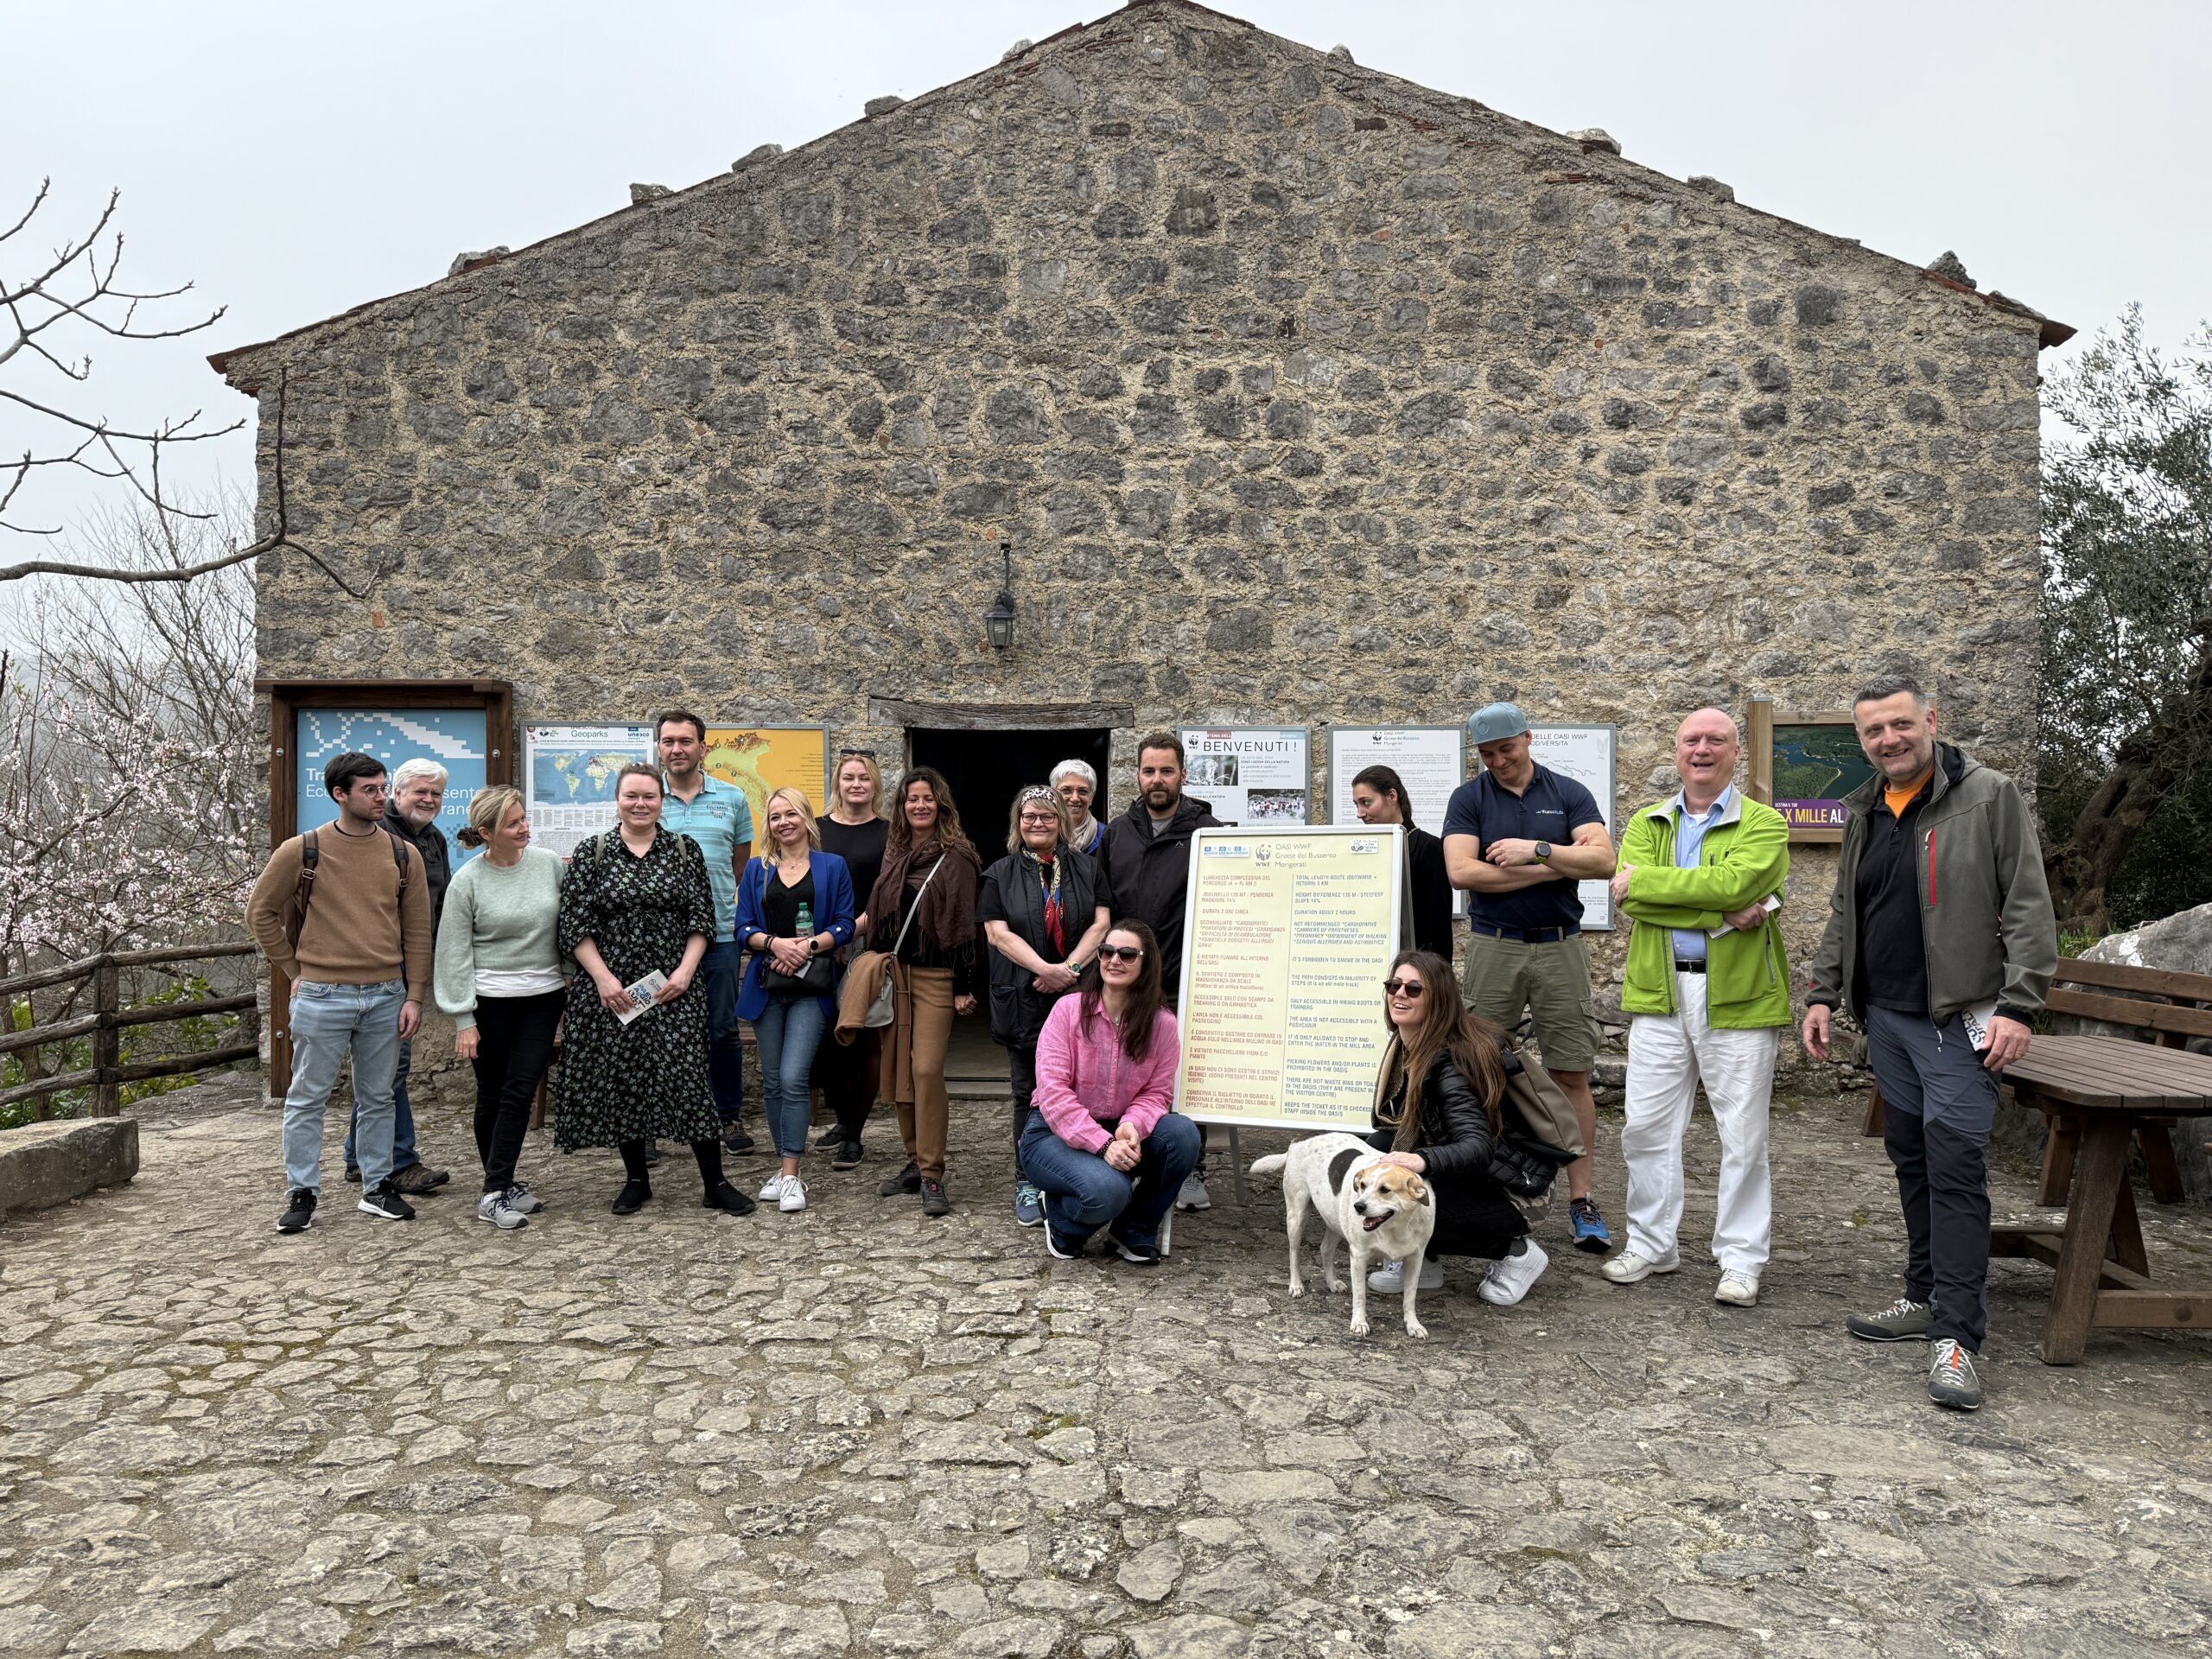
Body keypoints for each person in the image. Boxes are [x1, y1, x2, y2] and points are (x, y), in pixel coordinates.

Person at [1805, 673, 2056, 1412]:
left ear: (1930, 721)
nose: (1889, 739)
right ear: (1863, 740)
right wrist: (1823, 993)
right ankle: (1923, 1296)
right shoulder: (1865, 810)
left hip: (1960, 1022)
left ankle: (1958, 1337)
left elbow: (2030, 904)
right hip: (1886, 1018)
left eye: (1900, 725)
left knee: (1954, 1169)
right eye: (1874, 731)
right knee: (1911, 1159)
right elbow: (1845, 912)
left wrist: (2020, 1004)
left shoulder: (1989, 795)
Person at [1602, 710, 1790, 1306]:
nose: (1702, 749)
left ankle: (1740, 1260)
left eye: (1716, 740)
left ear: (1737, 753)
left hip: (1736, 996)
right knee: (1646, 1128)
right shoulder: (1647, 821)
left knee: (1743, 1134)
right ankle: (1653, 1244)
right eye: (1692, 740)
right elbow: (1629, 900)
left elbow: (1736, 886)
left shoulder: (1764, 823)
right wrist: (1718, 914)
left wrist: (1659, 888)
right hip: (1661, 992)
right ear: (1676, 751)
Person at [1441, 702, 1618, 1253]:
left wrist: (1535, 852)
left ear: (1528, 739)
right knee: (1480, 1072)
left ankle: (1581, 1200)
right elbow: (1461, 873)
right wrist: (1555, 866)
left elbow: (1606, 862)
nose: (1497, 761)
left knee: (1571, 1073)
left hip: (1560, 947)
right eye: (1487, 754)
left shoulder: (1568, 793)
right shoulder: (1469, 798)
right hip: (1495, 946)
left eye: (1506, 750)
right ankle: (1487, 1189)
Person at [554, 764, 755, 1217]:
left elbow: (702, 918)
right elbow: (574, 923)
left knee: (689, 1080)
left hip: (673, 989)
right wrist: (603, 980)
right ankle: (636, 1181)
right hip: (614, 990)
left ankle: (715, 1182)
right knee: (626, 1081)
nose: (640, 804)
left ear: (661, 800)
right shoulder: (593, 852)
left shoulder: (684, 851)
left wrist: (686, 972)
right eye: (631, 796)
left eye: (649, 796)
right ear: (618, 800)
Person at [245, 751, 432, 1233]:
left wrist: (414, 995)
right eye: (369, 789)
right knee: (307, 1097)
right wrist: (292, 969)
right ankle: (302, 1193)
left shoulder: (401, 853)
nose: (380, 797)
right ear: (339, 794)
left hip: (386, 995)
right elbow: (260, 913)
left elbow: (417, 931)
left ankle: (376, 1187)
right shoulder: (301, 850)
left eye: (383, 787)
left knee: (378, 1097)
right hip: (323, 994)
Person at [1361, 950, 1552, 1306]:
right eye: (1394, 985)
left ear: (1439, 1001)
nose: (1399, 994)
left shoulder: (1452, 1063)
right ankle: (1423, 1261)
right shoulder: (1408, 1045)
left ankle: (1517, 1252)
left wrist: (1420, 1162)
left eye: (1414, 989)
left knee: (1398, 1196)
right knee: (1377, 1148)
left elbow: (1477, 1146)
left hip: (1517, 1192)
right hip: (1481, 1176)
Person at [1020, 920, 1201, 1263]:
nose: (1114, 960)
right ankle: (1062, 1221)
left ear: (1146, 963)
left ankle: (1133, 1229)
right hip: (1051, 1135)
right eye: (1107, 952)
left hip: (1117, 1129)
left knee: (1183, 1135)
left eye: (1128, 954)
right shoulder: (1068, 1010)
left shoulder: (1162, 1024)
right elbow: (1054, 1095)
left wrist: (1132, 1125)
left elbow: (1157, 1093)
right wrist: (1104, 1145)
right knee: (1108, 1191)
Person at [1098, 732, 1222, 1210]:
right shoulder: (1117, 833)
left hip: (1181, 977)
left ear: (1183, 775)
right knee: (1129, 1073)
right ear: (1138, 774)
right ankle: (1128, 1159)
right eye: (1149, 771)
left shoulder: (1206, 831)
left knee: (1186, 1076)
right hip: (1125, 978)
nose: (1157, 780)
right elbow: (1104, 905)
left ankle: (1191, 1170)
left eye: (1166, 771)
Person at [980, 785, 1113, 1227]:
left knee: (1081, 1087)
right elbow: (997, 934)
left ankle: (1081, 1169)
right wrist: (1046, 968)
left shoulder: (1088, 867)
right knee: (1027, 1091)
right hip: (1022, 993)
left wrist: (1070, 969)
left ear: (1063, 821)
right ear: (1017, 822)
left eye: (1047, 817)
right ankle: (1027, 1178)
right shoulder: (999, 872)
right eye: (1029, 817)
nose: (1037, 824)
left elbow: (1102, 923)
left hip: (1077, 994)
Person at [434, 785, 566, 1231]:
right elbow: (452, 952)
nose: (525, 827)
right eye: (514, 824)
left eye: (525, 819)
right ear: (487, 833)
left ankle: (496, 1187)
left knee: (520, 1090)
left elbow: (570, 926)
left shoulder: (548, 865)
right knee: (492, 1094)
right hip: (489, 1002)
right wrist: (462, 1019)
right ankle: (498, 1189)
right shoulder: (467, 881)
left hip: (544, 997)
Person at [865, 766, 983, 1217]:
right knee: (900, 1072)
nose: (920, 805)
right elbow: (879, 916)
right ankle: (913, 1161)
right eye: (912, 798)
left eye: (928, 799)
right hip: (896, 976)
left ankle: (933, 1173)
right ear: (902, 806)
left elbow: (966, 927)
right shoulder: (894, 854)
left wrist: (964, 984)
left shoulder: (959, 856)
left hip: (936, 978)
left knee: (928, 1069)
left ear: (941, 805)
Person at [734, 787, 856, 1216]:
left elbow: (845, 923)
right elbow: (741, 927)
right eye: (774, 817)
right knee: (771, 1082)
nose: (783, 822)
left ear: (806, 819)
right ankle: (784, 1166)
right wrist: (774, 944)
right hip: (767, 986)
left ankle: (791, 1173)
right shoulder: (756, 869)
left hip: (811, 988)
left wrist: (807, 947)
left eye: (791, 814)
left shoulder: (832, 866)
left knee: (792, 1077)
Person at [342, 755, 453, 1195]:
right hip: (383, 965)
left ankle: (358, 1156)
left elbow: (436, 906)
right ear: (397, 794)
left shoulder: (434, 839)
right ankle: (398, 1161)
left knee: (385, 1067)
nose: (428, 799)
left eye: (436, 794)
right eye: (419, 792)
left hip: (415, 964)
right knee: (390, 1067)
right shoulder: (378, 836)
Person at [655, 710, 756, 1154]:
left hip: (719, 935)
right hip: (656, 939)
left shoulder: (732, 798)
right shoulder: (645, 798)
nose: (677, 749)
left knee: (721, 1030)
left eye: (686, 741)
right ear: (659, 747)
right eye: (669, 741)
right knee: (655, 1030)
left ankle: (726, 1118)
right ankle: (651, 1123)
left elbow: (738, 867)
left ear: (703, 747)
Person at [813, 752, 891, 1169]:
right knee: (829, 1042)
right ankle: (843, 1120)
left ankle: (855, 1134)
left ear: (875, 785)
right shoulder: (819, 831)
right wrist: (823, 939)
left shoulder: (889, 833)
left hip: (867, 946)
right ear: (837, 784)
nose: (856, 784)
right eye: (848, 778)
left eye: (864, 778)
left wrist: (851, 932)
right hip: (821, 947)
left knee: (862, 1041)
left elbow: (888, 893)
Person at [1352, 764, 1453, 960]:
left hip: (1415, 970)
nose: (1360, 813)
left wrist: (1430, 978)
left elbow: (1437, 925)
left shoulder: (1428, 847)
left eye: (1366, 803)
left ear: (1392, 797)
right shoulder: (1366, 849)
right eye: (1356, 804)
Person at [1052, 758, 1106, 855]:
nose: (1075, 798)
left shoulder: (1107, 837)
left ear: (1092, 797)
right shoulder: (1041, 833)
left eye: (1083, 791)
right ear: (1053, 795)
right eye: (1066, 790)